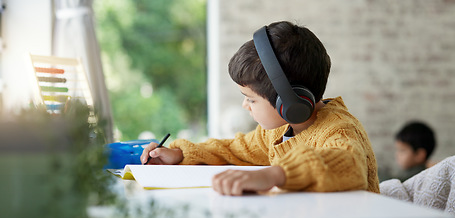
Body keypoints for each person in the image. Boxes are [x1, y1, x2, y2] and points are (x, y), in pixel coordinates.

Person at [141, 21, 380, 196]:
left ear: (290, 104)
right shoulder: (278, 131)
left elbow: (349, 164)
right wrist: (180, 154)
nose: (245, 105)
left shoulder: (338, 129)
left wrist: (273, 174)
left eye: (251, 99)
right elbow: (234, 150)